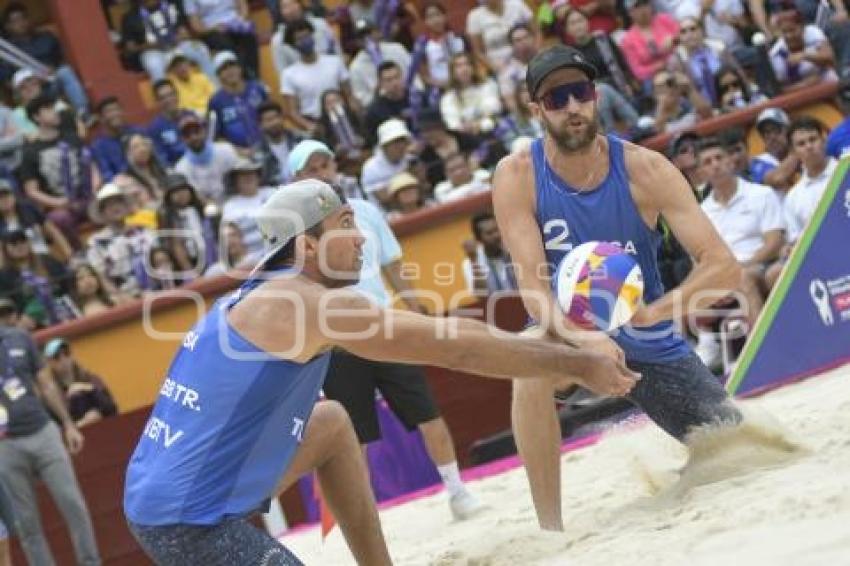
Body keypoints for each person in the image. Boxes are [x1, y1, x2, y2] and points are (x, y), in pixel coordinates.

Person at [123, 177, 638, 564]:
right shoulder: (300, 303)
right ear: (306, 246)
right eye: (346, 225)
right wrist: (578, 361)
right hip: (187, 520)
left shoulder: (269, 295)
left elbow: (444, 335)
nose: (362, 239)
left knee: (331, 424)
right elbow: (450, 349)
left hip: (168, 490)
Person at [491, 45, 744, 531]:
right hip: (565, 329)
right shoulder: (517, 174)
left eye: (580, 92)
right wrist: (584, 338)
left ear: (595, 95)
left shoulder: (645, 168)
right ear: (535, 108)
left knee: (737, 450)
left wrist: (658, 312)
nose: (571, 106)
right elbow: (533, 287)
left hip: (644, 330)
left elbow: (724, 268)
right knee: (526, 358)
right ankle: (551, 528)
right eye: (555, 97)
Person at [290, 151, 487, 521]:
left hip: (384, 326)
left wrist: (416, 308)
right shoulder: (295, 229)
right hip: (337, 340)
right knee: (352, 438)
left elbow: (391, 265)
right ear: (295, 178)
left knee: (427, 411)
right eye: (311, 169)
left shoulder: (364, 210)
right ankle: (365, 517)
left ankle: (458, 492)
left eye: (325, 165)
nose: (321, 173)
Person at [0, 312, 100, 565]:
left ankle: (91, 563)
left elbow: (47, 385)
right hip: (4, 444)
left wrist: (67, 424)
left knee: (73, 504)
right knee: (26, 524)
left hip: (42, 430)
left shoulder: (19, 337)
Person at [697, 137, 784, 337]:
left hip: (760, 265)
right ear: (701, 173)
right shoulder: (702, 212)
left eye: (719, 158)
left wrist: (739, 269)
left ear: (730, 161)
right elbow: (700, 260)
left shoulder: (761, 194)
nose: (715, 165)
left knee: (743, 278)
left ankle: (765, 347)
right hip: (722, 275)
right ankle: (706, 347)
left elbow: (774, 242)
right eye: (707, 162)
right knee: (678, 298)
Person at [19, 94, 98, 249]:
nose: (55, 112)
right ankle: (80, 253)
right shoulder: (30, 152)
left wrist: (94, 188)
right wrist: (58, 203)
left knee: (110, 199)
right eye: (48, 109)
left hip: (87, 196)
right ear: (36, 117)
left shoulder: (72, 138)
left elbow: (92, 166)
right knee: (59, 218)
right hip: (60, 204)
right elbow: (31, 191)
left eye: (53, 108)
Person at [766, 117, 837, 288]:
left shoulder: (845, 172)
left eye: (813, 139)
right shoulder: (793, 196)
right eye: (801, 143)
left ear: (824, 140)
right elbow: (796, 239)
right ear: (794, 152)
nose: (809, 146)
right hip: (818, 257)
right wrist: (789, 249)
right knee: (774, 273)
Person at [0, 2, 90, 118]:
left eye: (23, 18)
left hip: (53, 84)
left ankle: (84, 114)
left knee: (65, 71)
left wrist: (53, 69)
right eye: (15, 21)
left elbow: (63, 59)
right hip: (31, 94)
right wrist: (30, 81)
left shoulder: (46, 37)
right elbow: (8, 82)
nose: (21, 23)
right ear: (8, 26)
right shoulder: (7, 52)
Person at [280, 19, 355, 134]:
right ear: (293, 44)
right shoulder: (289, 74)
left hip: (343, 117)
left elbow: (349, 95)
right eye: (299, 39)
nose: (305, 41)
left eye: (307, 36)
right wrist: (310, 126)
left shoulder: (334, 61)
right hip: (315, 123)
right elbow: (292, 112)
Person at [85, 184, 155, 296]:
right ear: (102, 213)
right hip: (127, 297)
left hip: (157, 289)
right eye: (108, 205)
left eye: (118, 202)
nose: (115, 207)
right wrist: (121, 299)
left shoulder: (143, 229)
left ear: (127, 206)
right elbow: (103, 279)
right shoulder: (97, 243)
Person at [120, 0, 217, 81]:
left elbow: (184, 30)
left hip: (177, 45)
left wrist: (182, 35)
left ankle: (216, 88)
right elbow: (130, 48)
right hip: (154, 51)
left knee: (200, 49)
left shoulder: (171, 3)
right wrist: (149, 45)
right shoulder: (130, 17)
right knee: (154, 65)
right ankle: (166, 97)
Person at [0, 229, 73, 329]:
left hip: (61, 308)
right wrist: (19, 317)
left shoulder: (47, 260)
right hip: (28, 319)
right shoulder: (4, 275)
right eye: (14, 244)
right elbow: (6, 303)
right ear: (6, 249)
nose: (20, 246)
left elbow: (67, 284)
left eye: (23, 241)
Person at [44, 337, 118, 428]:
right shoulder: (50, 392)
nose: (64, 360)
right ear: (49, 362)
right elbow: (55, 428)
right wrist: (81, 424)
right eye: (57, 357)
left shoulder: (91, 378)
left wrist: (88, 388)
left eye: (67, 354)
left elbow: (112, 408)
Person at [174, 113, 240, 204]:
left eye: (196, 132)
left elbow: (239, 176)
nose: (194, 137)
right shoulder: (181, 168)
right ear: (182, 139)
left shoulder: (226, 149)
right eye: (187, 135)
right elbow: (195, 195)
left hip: (236, 198)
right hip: (209, 208)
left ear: (204, 131)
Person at [157, 173, 217, 275]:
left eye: (184, 189)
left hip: (212, 255)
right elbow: (176, 246)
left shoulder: (200, 208)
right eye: (175, 191)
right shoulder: (169, 217)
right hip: (192, 263)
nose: (181, 194)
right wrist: (191, 273)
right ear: (169, 196)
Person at [183, 0, 259, 78]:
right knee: (226, 45)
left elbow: (243, 5)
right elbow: (196, 25)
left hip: (235, 21)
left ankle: (255, 76)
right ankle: (247, 77)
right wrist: (213, 29)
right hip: (212, 29)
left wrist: (241, 19)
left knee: (249, 35)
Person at [0, 179, 72, 261]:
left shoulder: (28, 208)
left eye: (6, 195)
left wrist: (70, 255)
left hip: (41, 256)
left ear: (13, 195)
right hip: (14, 265)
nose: (4, 199)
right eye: (0, 197)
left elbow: (53, 231)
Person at [208, 52, 268, 149]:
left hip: (268, 145)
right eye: (224, 68)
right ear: (218, 75)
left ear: (240, 68)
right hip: (238, 156)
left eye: (232, 65)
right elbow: (216, 137)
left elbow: (272, 115)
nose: (230, 71)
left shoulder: (257, 88)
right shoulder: (216, 102)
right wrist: (238, 151)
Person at [348, 19, 413, 108]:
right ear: (357, 42)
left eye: (370, 33)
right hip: (382, 107)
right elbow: (362, 98)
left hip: (409, 97)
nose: (367, 39)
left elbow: (414, 73)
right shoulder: (355, 67)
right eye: (362, 37)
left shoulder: (397, 48)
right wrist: (377, 92)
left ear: (378, 33)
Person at [770, 9, 837, 93]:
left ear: (802, 27)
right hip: (795, 92)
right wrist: (805, 85)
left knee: (831, 76)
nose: (789, 36)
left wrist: (805, 56)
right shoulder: (776, 52)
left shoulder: (813, 32)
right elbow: (777, 88)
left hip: (823, 80)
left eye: (792, 30)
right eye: (784, 32)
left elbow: (831, 60)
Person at [221, 158, 276, 257]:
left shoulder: (273, 193)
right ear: (235, 180)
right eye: (242, 175)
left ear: (258, 177)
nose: (247, 177)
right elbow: (231, 237)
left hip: (278, 250)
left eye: (251, 173)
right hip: (251, 256)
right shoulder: (230, 206)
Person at [440, 52, 503, 135]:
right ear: (452, 72)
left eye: (467, 64)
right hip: (464, 138)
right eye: (458, 66)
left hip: (492, 131)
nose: (464, 69)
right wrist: (464, 128)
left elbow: (493, 111)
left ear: (473, 68)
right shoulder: (448, 98)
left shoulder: (487, 85)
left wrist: (479, 125)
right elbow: (452, 123)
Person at [270, 0, 341, 74]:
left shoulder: (320, 24)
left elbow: (337, 51)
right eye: (285, 7)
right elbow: (282, 71)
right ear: (280, 12)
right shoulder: (278, 41)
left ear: (300, 4)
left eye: (293, 3)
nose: (291, 9)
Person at [412, 2, 470, 92]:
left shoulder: (459, 38)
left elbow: (472, 62)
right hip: (442, 89)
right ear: (425, 22)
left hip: (467, 83)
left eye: (438, 15)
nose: (435, 20)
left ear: (445, 16)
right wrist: (445, 84)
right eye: (430, 17)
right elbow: (424, 76)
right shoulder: (423, 46)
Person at [620, 0, 680, 86]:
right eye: (637, 6)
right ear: (630, 12)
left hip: (677, 65)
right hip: (652, 79)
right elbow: (637, 71)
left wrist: (674, 40)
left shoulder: (664, 19)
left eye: (645, 3)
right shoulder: (627, 40)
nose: (643, 9)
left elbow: (683, 34)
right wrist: (660, 66)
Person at [466, 0, 534, 73]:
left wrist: (538, 55)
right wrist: (494, 68)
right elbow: (477, 52)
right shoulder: (474, 16)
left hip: (528, 58)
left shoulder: (517, 4)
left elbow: (536, 32)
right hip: (499, 66)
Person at [362, 119, 416, 208]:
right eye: (395, 142)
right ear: (384, 145)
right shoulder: (371, 168)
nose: (401, 146)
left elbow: (422, 188)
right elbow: (384, 198)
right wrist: (408, 177)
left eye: (403, 141)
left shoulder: (411, 160)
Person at [91, 97, 144, 182]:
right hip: (124, 186)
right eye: (109, 111)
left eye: (117, 109)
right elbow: (107, 175)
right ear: (101, 118)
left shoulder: (137, 132)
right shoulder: (99, 146)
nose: (115, 114)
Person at [461, 212, 516, 295]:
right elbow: (480, 294)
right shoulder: (470, 262)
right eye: (489, 233)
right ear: (478, 239)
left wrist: (510, 256)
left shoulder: (514, 250)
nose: (496, 235)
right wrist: (473, 260)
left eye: (497, 230)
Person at [365, 62, 415, 146]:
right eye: (389, 80)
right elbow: (373, 142)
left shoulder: (417, 98)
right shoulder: (374, 111)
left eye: (397, 77)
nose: (394, 83)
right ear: (381, 84)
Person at [750, 107, 799, 193]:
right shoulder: (758, 161)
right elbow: (777, 178)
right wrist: (798, 151)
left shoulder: (804, 150)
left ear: (788, 131)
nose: (772, 137)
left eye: (776, 130)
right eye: (767, 133)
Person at [147, 79, 193, 166]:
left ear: (177, 95)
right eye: (163, 98)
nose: (169, 99)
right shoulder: (154, 128)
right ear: (158, 102)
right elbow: (162, 160)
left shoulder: (191, 116)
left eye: (171, 95)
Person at [256, 101, 302, 186]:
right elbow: (263, 182)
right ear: (261, 125)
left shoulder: (300, 139)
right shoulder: (258, 152)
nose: (274, 123)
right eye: (268, 120)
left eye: (276, 117)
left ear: (282, 118)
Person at [498, 23, 539, 113]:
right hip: (527, 117)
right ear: (512, 46)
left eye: (526, 37)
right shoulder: (507, 72)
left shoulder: (548, 61)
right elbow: (510, 102)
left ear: (533, 39)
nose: (524, 42)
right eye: (518, 40)